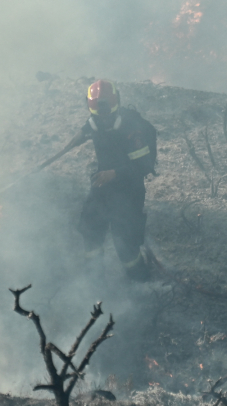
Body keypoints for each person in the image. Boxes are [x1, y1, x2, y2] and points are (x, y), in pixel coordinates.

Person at [61, 80, 157, 283]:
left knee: (125, 242)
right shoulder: (97, 119)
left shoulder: (134, 131)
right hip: (102, 184)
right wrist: (78, 136)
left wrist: (115, 173)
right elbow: (90, 124)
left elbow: (143, 167)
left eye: (107, 116)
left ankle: (139, 281)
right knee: (90, 230)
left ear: (116, 106)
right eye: (98, 116)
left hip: (129, 190)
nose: (103, 121)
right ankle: (94, 279)